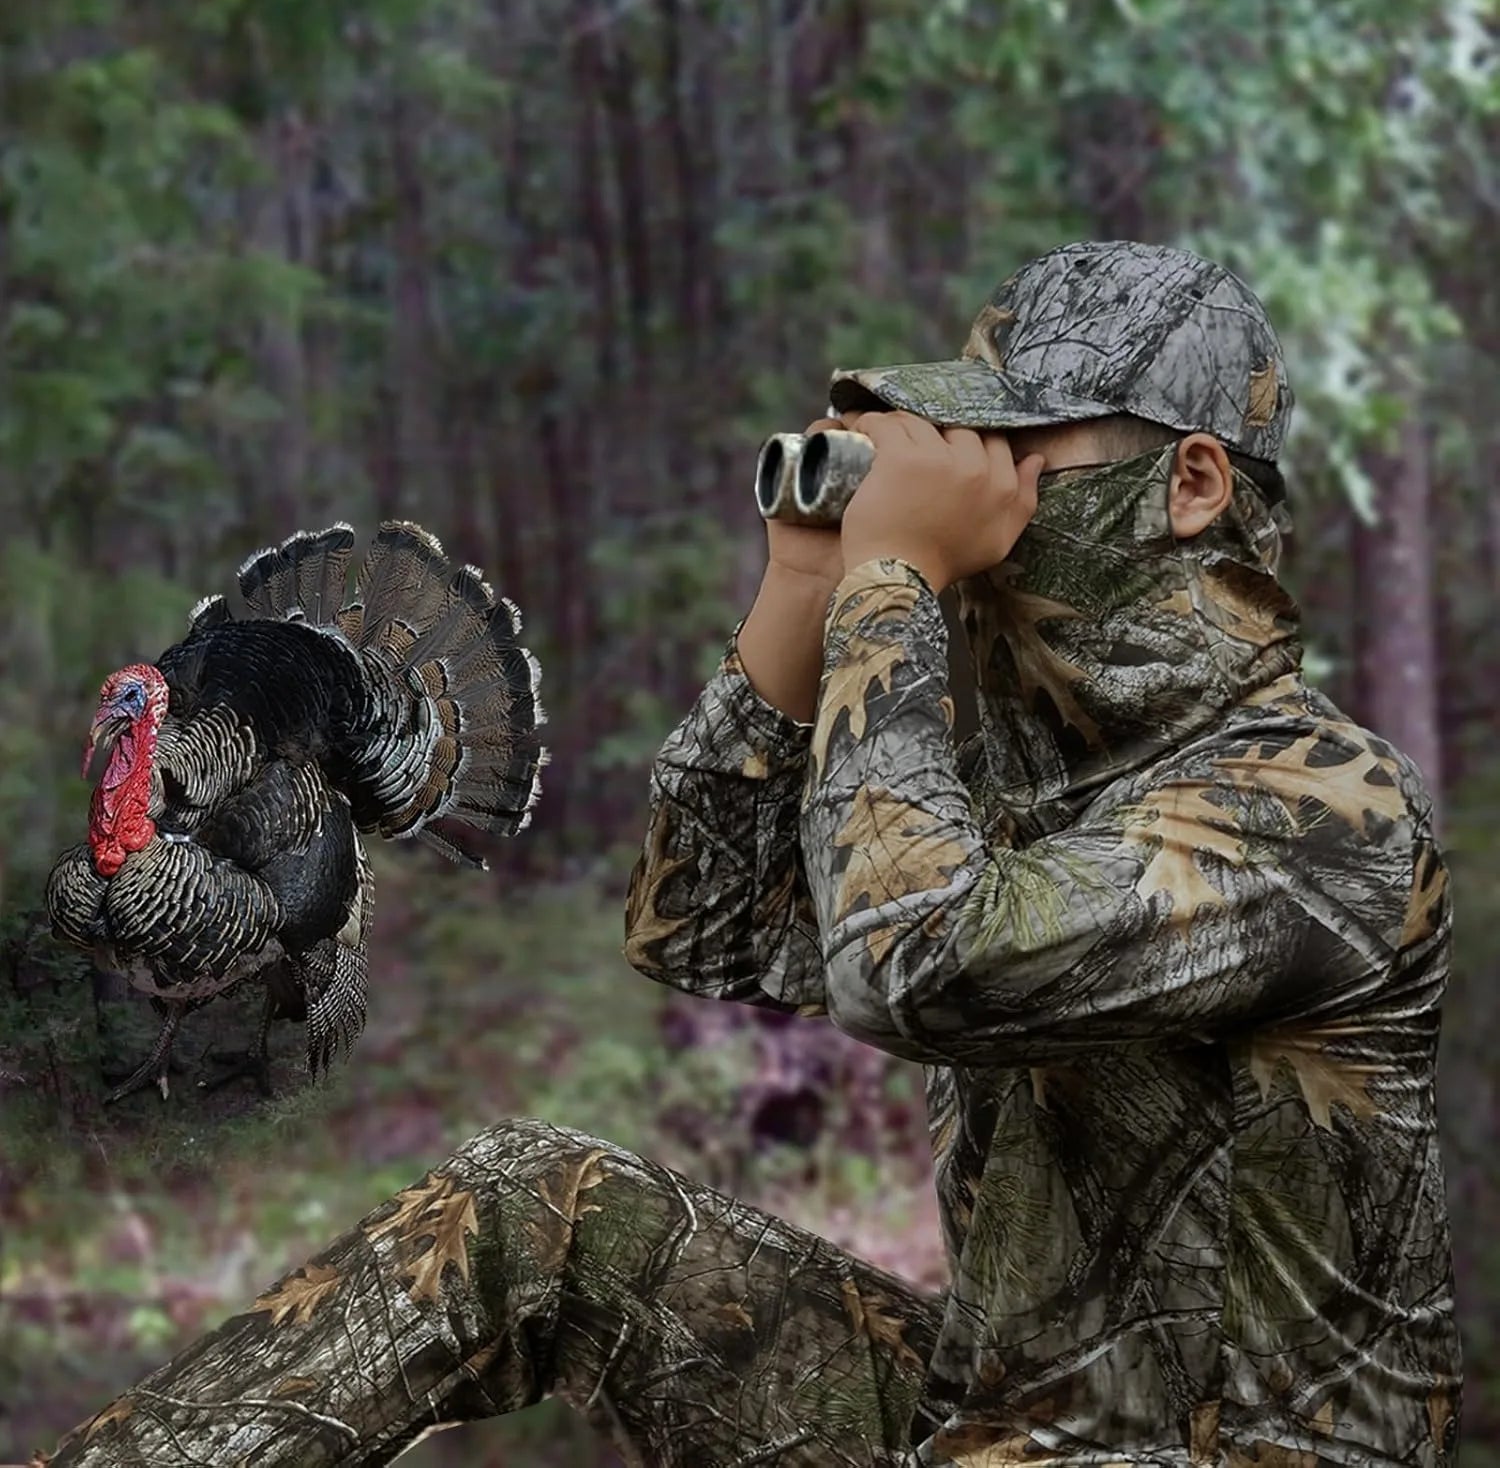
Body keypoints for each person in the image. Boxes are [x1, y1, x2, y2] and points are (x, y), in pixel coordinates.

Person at [44, 242, 1461, 1467]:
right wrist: (804, 586)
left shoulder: (1326, 817)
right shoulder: (1035, 790)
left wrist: (897, 582)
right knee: (530, 1209)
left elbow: (915, 964)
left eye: (1017, 454)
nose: (973, 494)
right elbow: (700, 922)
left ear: (1193, 482)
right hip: (997, 1433)